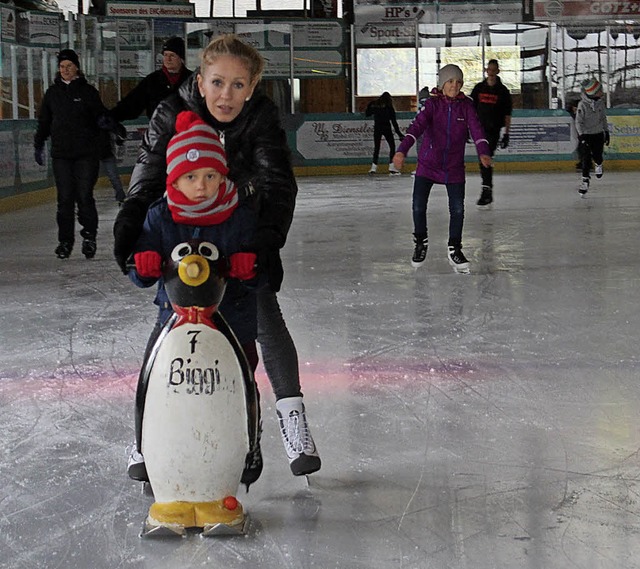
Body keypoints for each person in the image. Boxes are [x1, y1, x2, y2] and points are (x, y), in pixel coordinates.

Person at [113, 34, 321, 481]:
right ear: (201, 80)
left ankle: (292, 418)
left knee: (262, 310)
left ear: (252, 86)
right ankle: (145, 433)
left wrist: (265, 240)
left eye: (238, 85)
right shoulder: (170, 111)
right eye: (218, 82)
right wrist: (132, 226)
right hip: (183, 228)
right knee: (169, 320)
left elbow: (277, 182)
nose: (227, 95)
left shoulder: (261, 116)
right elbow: (148, 174)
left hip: (240, 223)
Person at [128, 110, 262, 486]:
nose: (201, 186)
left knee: (242, 378)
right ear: (174, 178)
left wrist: (249, 267)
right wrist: (144, 265)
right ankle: (142, 442)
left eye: (209, 175)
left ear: (223, 175)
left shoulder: (239, 215)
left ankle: (249, 440)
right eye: (190, 177)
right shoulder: (160, 216)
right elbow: (137, 268)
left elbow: (260, 262)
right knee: (153, 376)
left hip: (232, 314)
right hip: (173, 316)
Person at [392, 64, 491, 272]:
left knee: (458, 210)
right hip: (428, 165)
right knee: (418, 206)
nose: (455, 86)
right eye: (450, 81)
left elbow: (477, 129)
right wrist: (402, 151)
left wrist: (483, 150)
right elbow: (416, 128)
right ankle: (421, 242)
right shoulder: (432, 105)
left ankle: (455, 248)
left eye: (458, 82)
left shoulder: (466, 106)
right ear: (442, 83)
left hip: (454, 167)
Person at [34, 48, 109, 260]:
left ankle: (89, 237)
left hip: (86, 153)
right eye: (62, 67)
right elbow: (44, 122)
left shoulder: (88, 92)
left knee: (84, 196)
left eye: (69, 66)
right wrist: (39, 143)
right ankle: (65, 241)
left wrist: (105, 123)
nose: (65, 70)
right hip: (62, 155)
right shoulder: (52, 93)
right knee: (65, 199)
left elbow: (100, 115)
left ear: (76, 67)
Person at [109, 36, 193, 122]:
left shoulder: (191, 79)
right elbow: (133, 102)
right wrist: (112, 116)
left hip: (186, 130)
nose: (168, 59)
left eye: (172, 55)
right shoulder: (153, 80)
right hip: (159, 130)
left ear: (181, 58)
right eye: (165, 55)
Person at [470, 59, 513, 209]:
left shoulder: (503, 92)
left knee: (486, 157)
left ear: (498, 71)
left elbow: (507, 115)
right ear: (486, 70)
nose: (492, 73)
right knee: (483, 158)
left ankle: (486, 190)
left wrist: (507, 133)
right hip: (479, 130)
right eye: (490, 70)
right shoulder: (478, 89)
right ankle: (487, 190)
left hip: (494, 130)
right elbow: (470, 110)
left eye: (494, 70)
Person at [575, 77, 609, 197]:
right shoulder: (582, 105)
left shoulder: (600, 103)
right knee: (585, 159)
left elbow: (603, 118)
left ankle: (599, 164)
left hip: (598, 134)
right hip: (586, 135)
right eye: (600, 90)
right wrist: (582, 136)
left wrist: (606, 131)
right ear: (593, 92)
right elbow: (578, 122)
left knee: (597, 155)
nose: (602, 92)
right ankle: (585, 181)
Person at [365, 92, 404, 175]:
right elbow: (394, 122)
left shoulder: (374, 104)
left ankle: (373, 168)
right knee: (392, 146)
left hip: (377, 128)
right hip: (386, 128)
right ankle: (391, 167)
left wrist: (371, 107)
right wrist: (399, 134)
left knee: (377, 148)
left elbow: (367, 114)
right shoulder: (389, 107)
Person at [98, 123, 127, 204]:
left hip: (105, 154)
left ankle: (121, 196)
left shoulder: (105, 124)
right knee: (113, 177)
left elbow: (118, 129)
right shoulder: (104, 122)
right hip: (100, 154)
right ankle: (121, 196)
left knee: (114, 177)